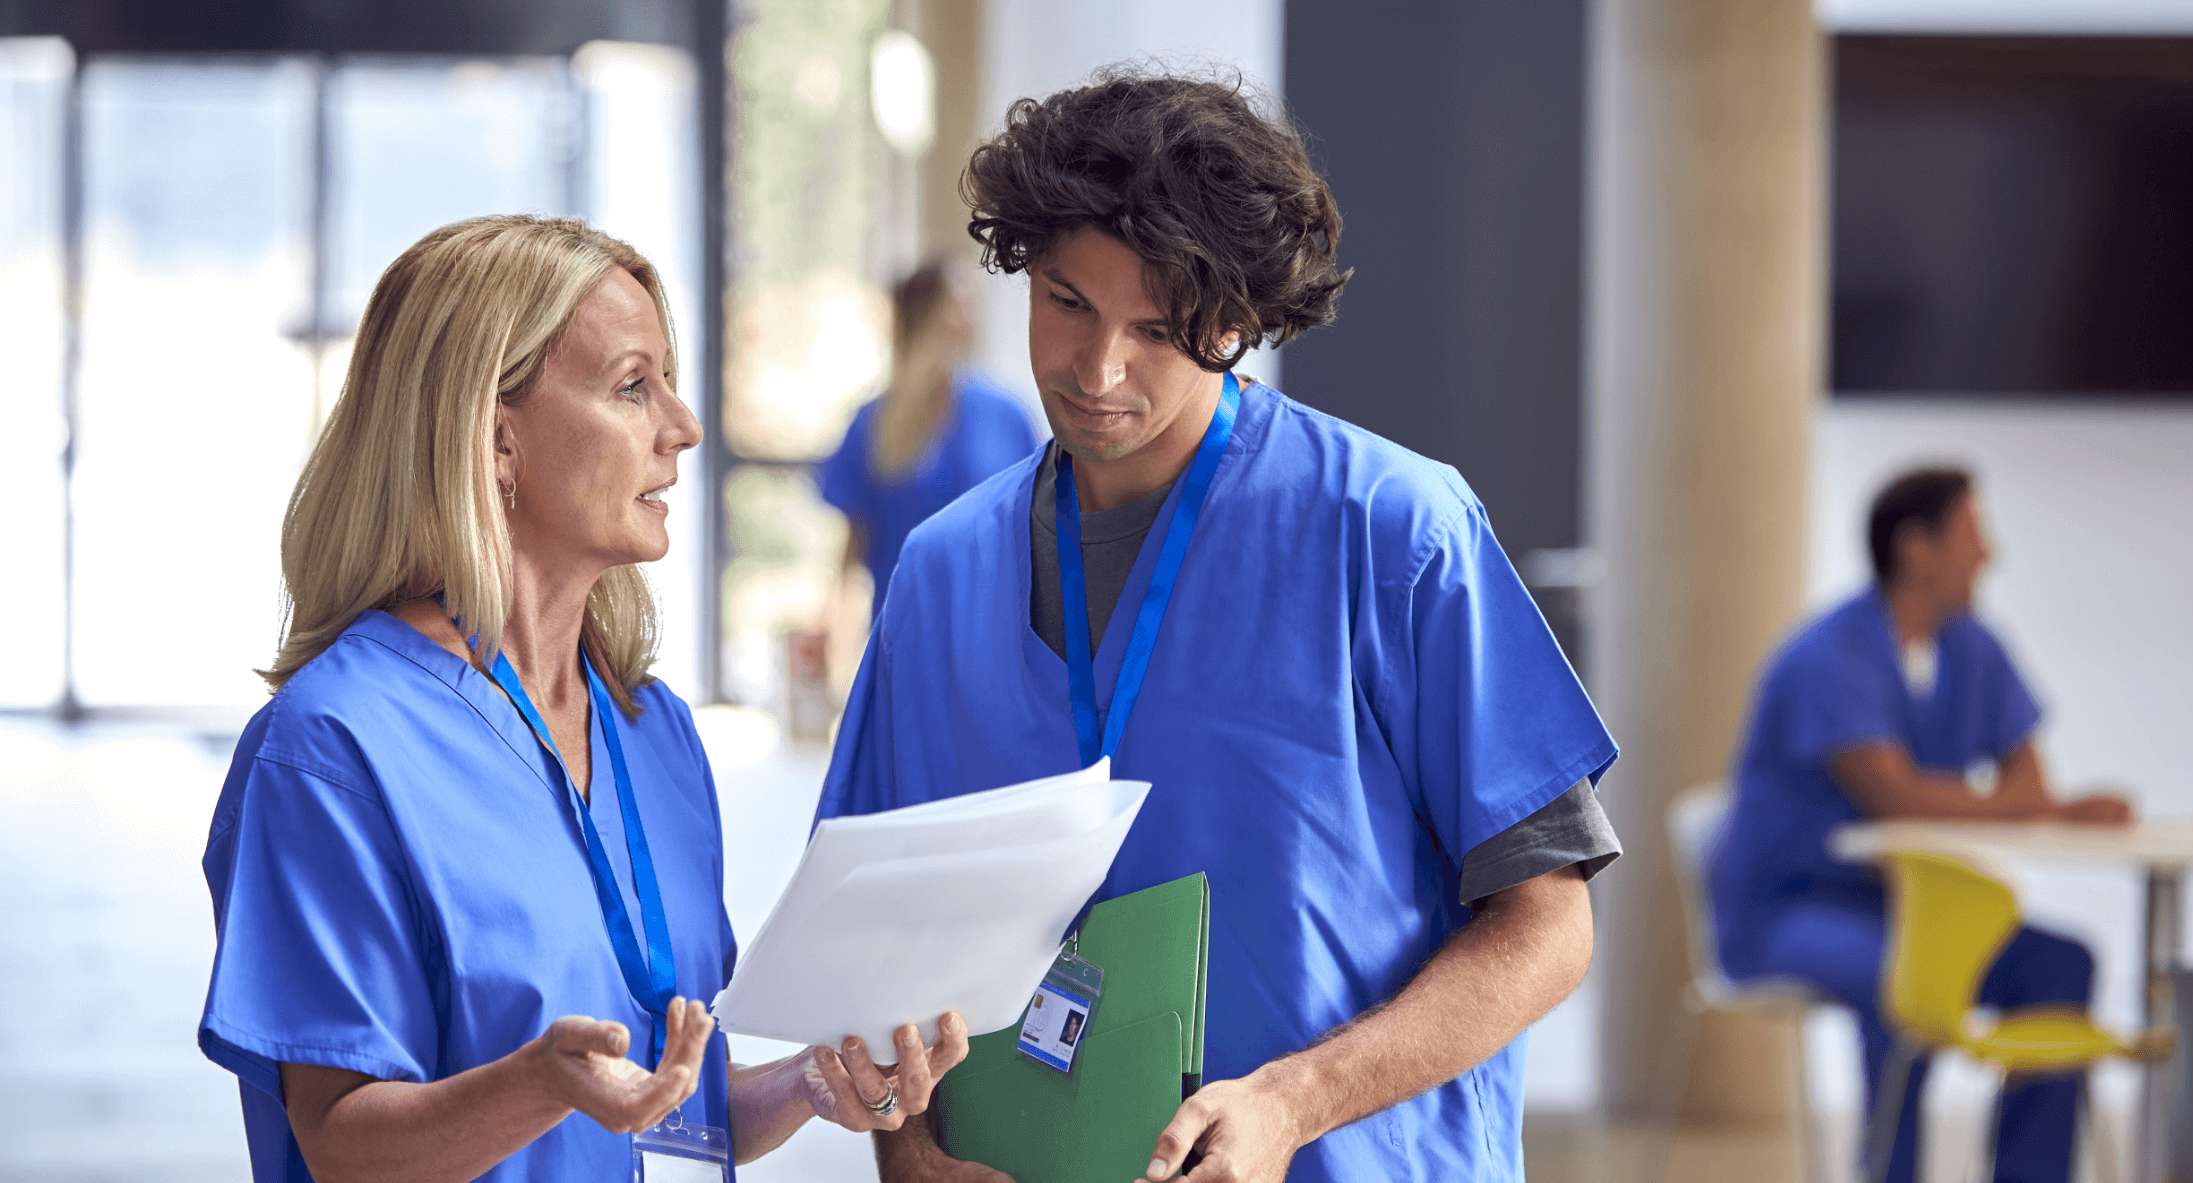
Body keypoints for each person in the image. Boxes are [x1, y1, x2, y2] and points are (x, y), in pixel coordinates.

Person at [816, 72, 1621, 1183]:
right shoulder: (941, 572)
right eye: (1064, 302)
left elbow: (1547, 926)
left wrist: (1296, 1098)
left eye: (1157, 328)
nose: (1097, 371)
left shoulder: (1392, 532)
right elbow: (875, 946)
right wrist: (906, 1151)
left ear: (1240, 320)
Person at [198, 215, 967, 1183]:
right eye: (632, 386)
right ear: (494, 436)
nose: (683, 428)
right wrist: (539, 1082)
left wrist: (807, 1085)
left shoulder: (657, 733)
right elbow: (346, 1145)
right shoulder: (333, 747)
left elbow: (660, 1112)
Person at [1706, 466, 2133, 1183]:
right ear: (1918, 548)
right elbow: (1896, 800)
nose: (1989, 555)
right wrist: (2040, 809)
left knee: (2062, 964)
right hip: (1787, 910)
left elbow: (2028, 777)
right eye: (1972, 534)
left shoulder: (1972, 646)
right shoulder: (1827, 655)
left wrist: (2030, 802)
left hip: (1901, 913)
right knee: (1901, 981)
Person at [817, 261, 1043, 617]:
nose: (968, 316)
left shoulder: (1006, 416)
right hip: (901, 621)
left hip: (989, 624)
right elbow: (855, 536)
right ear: (920, 317)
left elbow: (1038, 531)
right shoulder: (872, 423)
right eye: (954, 304)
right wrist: (831, 618)